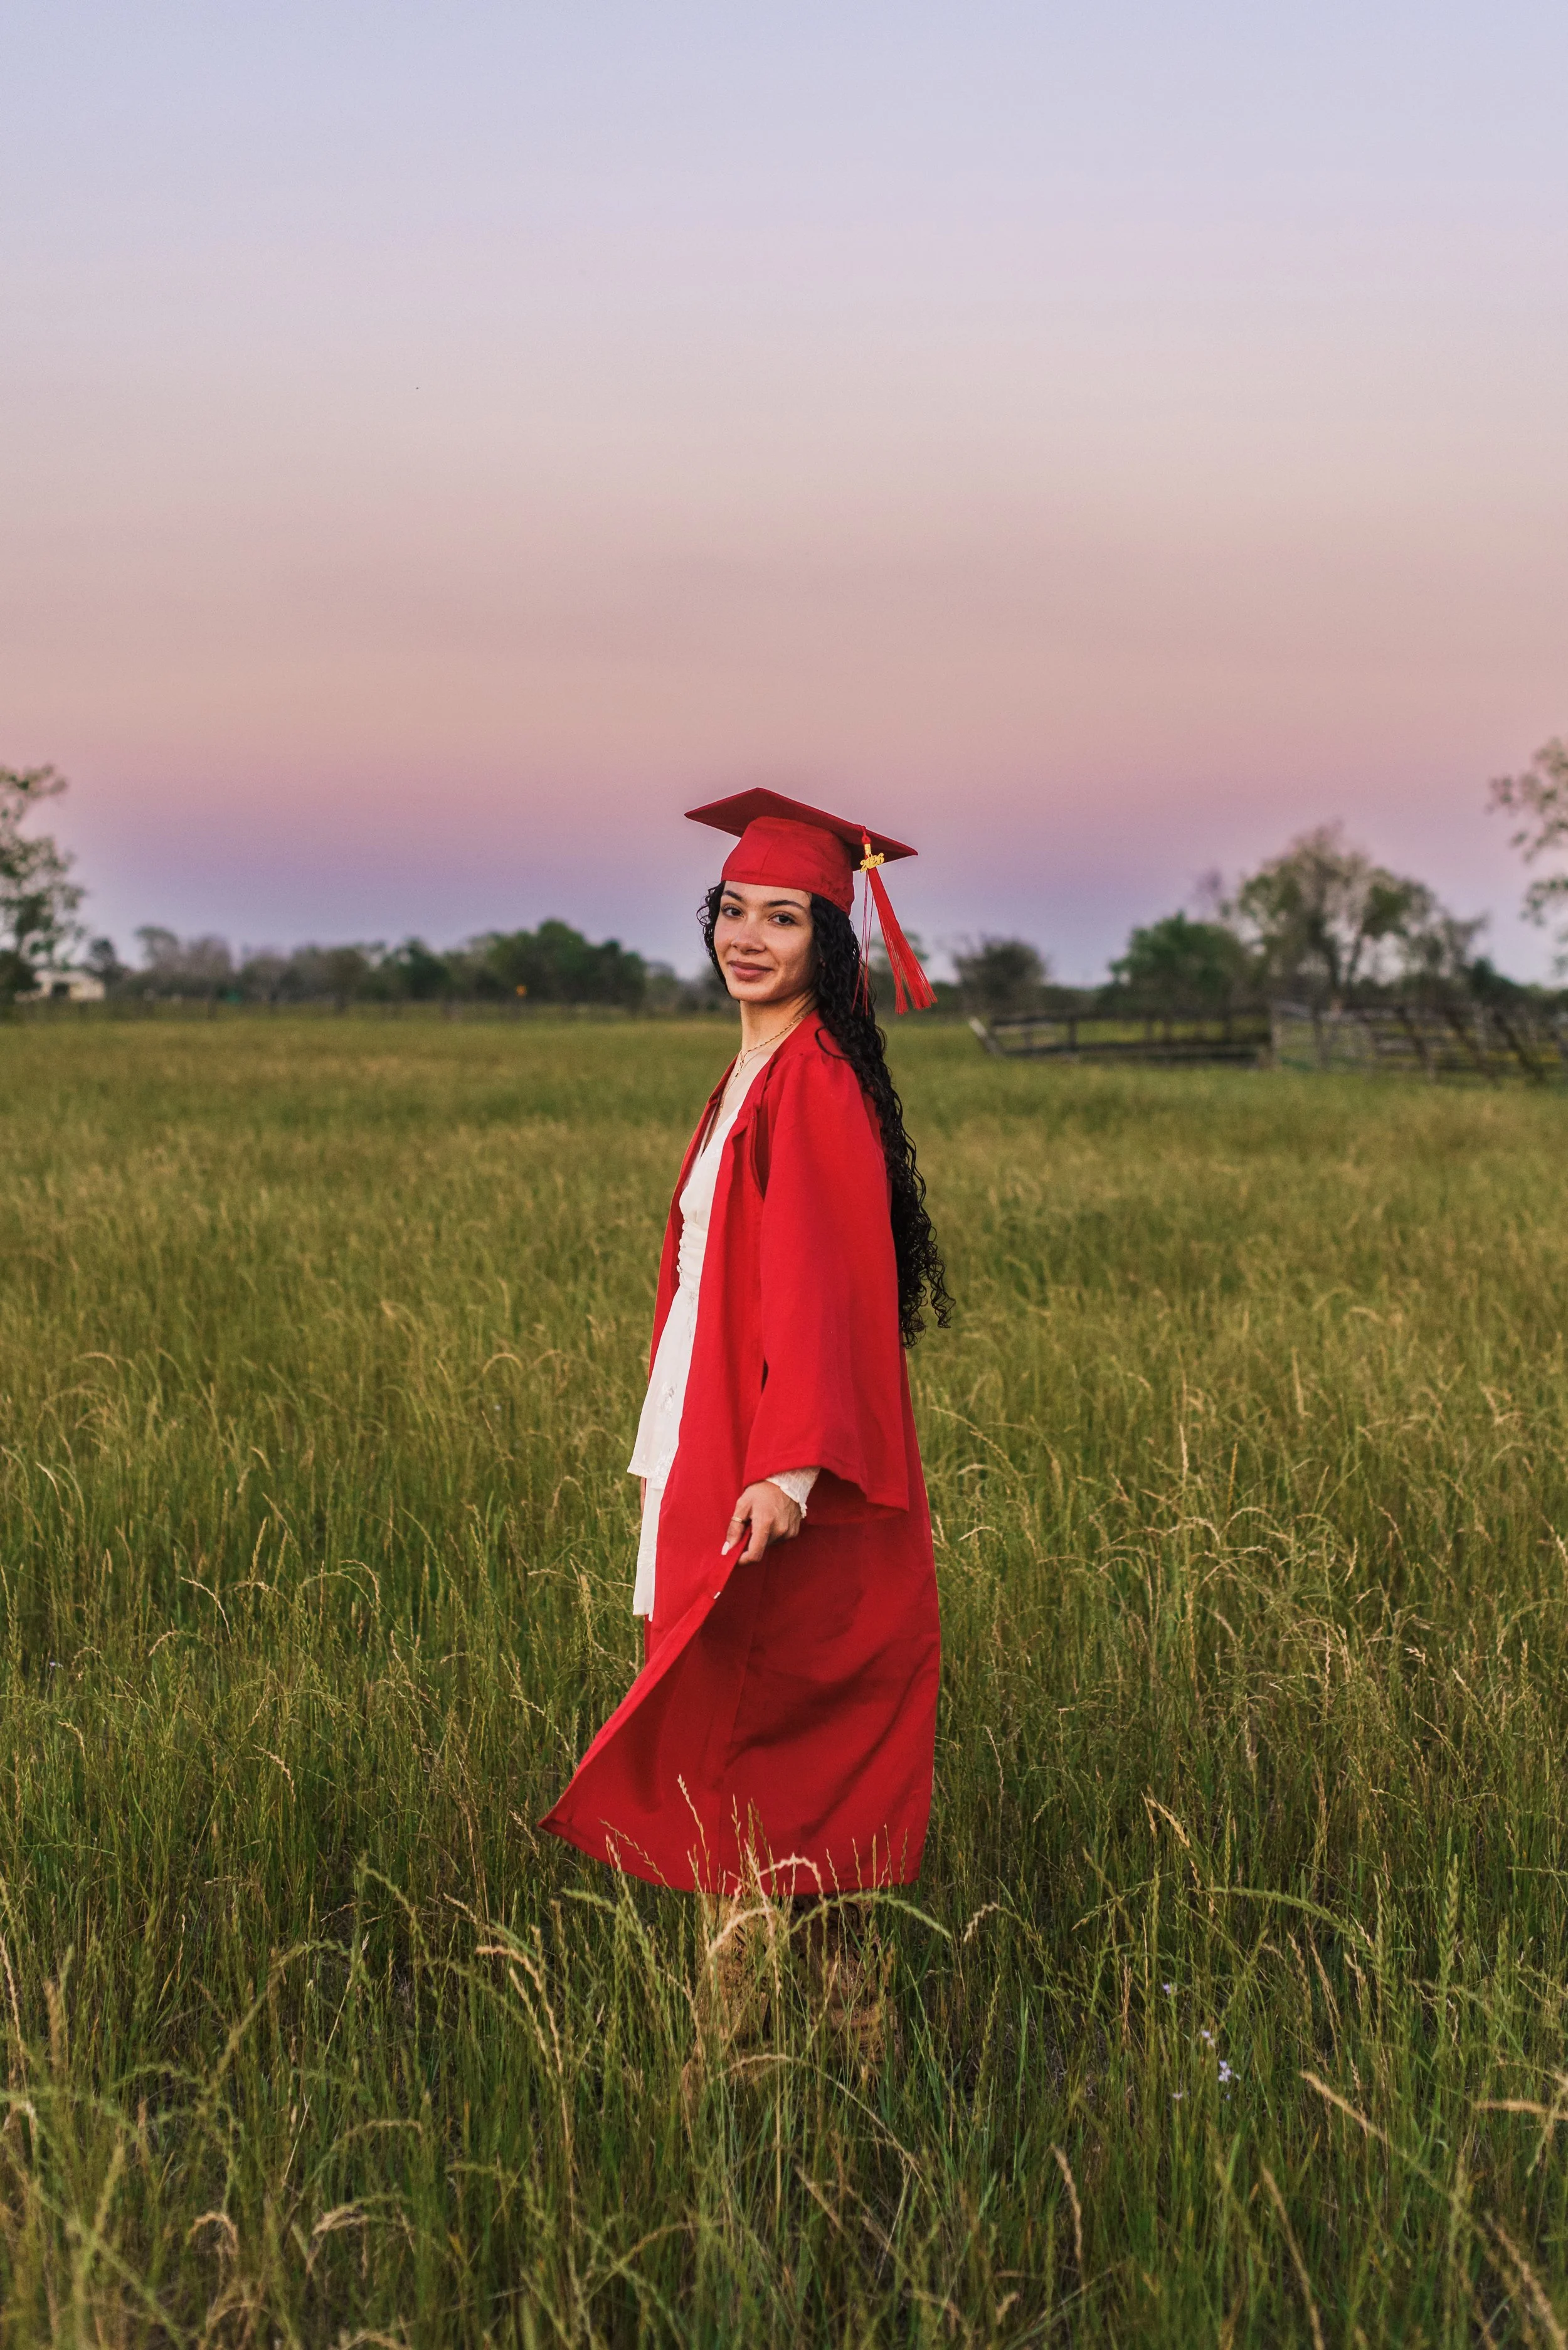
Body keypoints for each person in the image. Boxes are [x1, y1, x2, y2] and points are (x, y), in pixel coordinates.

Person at [540, 789, 950, 2051]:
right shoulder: (748, 1072)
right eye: (733, 910)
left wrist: (781, 1468)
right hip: (711, 1447)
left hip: (778, 1480)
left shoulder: (810, 1083)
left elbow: (826, 1289)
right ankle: (850, 2040)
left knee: (744, 1765)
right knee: (788, 1794)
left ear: (829, 941)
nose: (749, 936)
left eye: (783, 916)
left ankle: (722, 2077)